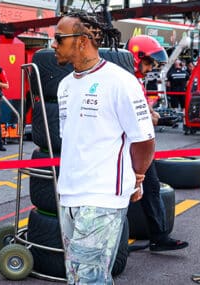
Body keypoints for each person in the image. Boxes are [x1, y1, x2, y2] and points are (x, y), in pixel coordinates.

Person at [53, 12, 155, 284]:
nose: (53, 44)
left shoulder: (120, 82)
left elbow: (144, 138)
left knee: (89, 279)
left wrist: (139, 176)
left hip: (103, 197)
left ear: (82, 41)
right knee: (77, 276)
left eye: (58, 38)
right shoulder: (64, 86)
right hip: (70, 194)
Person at [127, 35, 189, 252]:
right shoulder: (126, 81)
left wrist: (158, 115)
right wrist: (159, 119)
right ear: (137, 57)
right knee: (126, 191)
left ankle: (159, 237)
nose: (150, 67)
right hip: (127, 147)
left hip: (139, 146)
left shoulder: (136, 81)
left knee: (151, 187)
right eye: (148, 63)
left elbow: (147, 109)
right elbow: (142, 115)